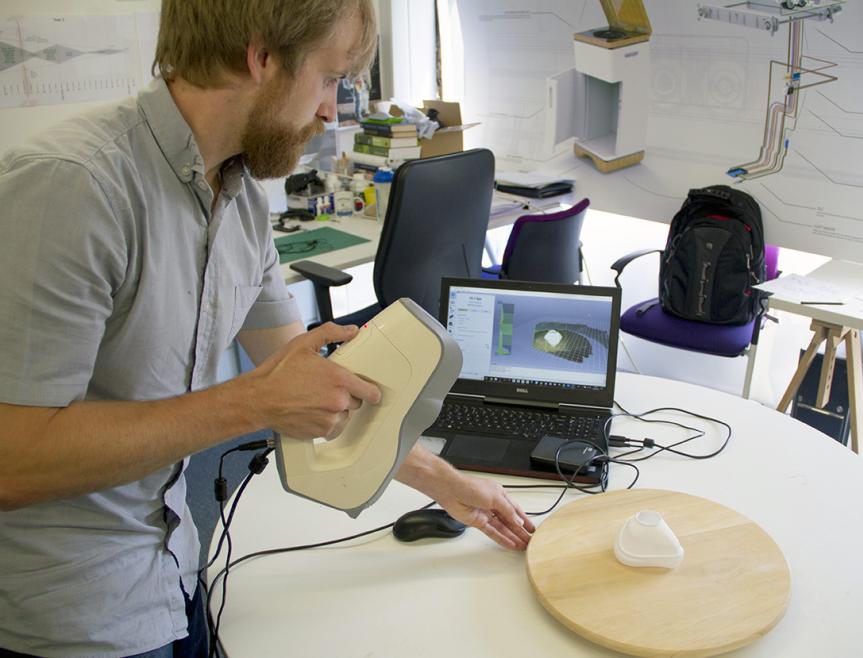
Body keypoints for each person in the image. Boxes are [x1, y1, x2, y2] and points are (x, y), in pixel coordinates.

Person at [0, 1, 535, 656]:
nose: (331, 112)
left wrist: (448, 483)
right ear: (262, 57)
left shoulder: (240, 197)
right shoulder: (72, 187)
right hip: (72, 615)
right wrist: (251, 403)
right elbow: (12, 459)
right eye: (331, 78)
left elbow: (317, 385)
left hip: (172, 567)